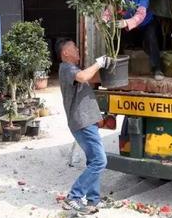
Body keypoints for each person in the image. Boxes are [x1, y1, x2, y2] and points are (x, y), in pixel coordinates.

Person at [57, 39, 115, 215]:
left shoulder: (74, 70)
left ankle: (93, 200)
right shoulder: (67, 68)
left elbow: (90, 76)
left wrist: (106, 67)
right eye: (74, 48)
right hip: (82, 122)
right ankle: (73, 197)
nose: (77, 50)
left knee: (93, 160)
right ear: (65, 53)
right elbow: (83, 77)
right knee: (100, 160)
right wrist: (98, 63)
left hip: (86, 122)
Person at [115, 0, 164, 80]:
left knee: (151, 39)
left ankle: (157, 69)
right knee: (117, 39)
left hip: (146, 24)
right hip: (128, 26)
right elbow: (111, 9)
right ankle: (119, 70)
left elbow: (141, 14)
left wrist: (127, 22)